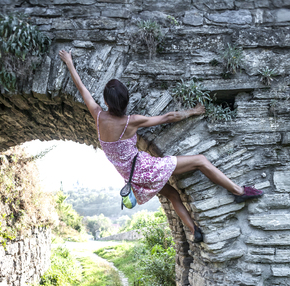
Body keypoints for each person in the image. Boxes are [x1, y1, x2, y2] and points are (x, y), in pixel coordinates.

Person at [59, 50, 263, 243]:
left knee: (173, 195)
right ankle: (238, 191)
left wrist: (69, 63)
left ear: (106, 101)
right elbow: (167, 117)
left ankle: (195, 231)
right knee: (200, 161)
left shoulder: (98, 116)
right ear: (126, 101)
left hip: (135, 180)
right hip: (146, 169)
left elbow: (82, 89)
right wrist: (194, 110)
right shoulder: (131, 121)